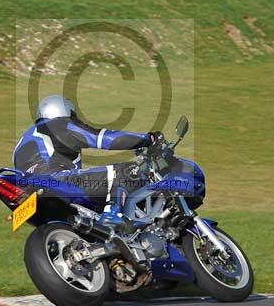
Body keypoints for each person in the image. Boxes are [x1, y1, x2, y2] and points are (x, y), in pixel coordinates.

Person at [13, 95, 162, 228]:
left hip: (29, 194)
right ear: (66, 112)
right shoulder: (58, 125)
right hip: (55, 180)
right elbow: (102, 138)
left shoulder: (23, 141)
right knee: (126, 171)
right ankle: (113, 213)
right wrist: (148, 139)